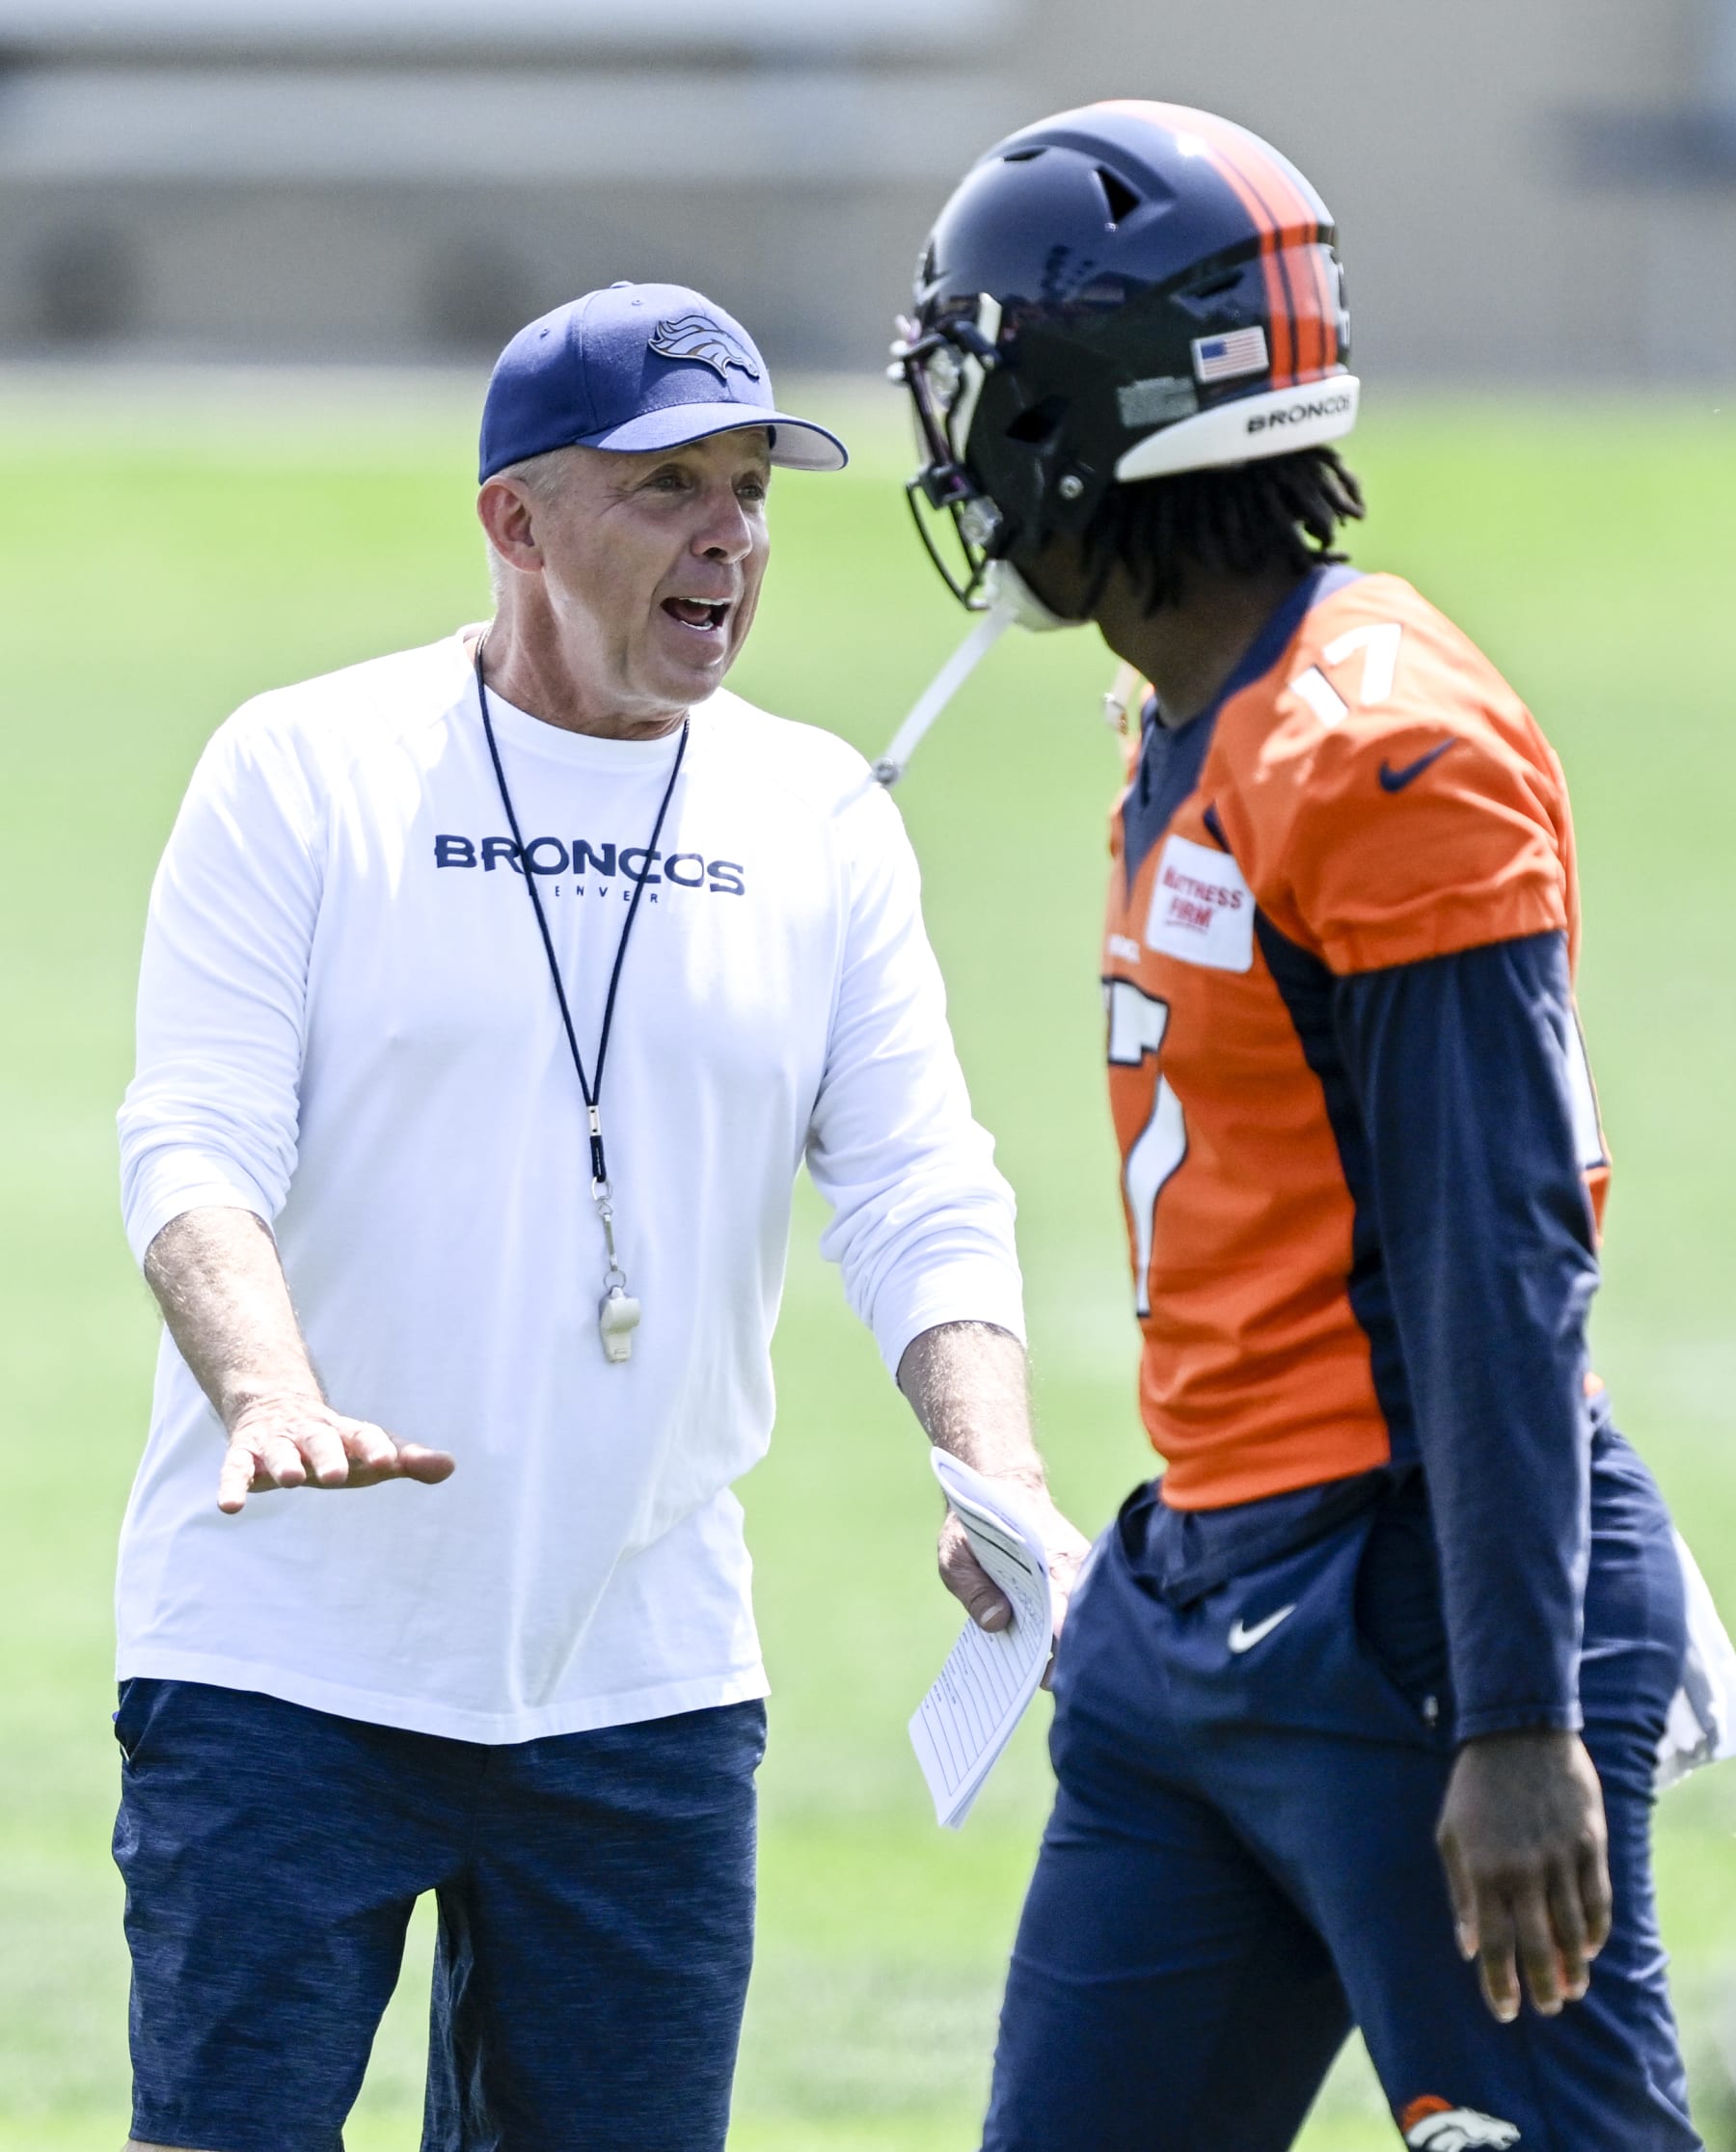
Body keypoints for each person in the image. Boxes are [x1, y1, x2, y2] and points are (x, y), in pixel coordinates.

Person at [113, 278, 1087, 2152]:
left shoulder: (818, 819)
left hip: (640, 1681)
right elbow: (194, 1143)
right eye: (668, 490)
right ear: (514, 520)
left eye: (752, 491)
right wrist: (267, 1391)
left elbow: (917, 1180)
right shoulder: (303, 772)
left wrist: (999, 1465)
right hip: (282, 1668)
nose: (729, 536)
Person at [888, 102, 1717, 2149]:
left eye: (989, 389)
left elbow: (1499, 1257)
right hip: (1200, 1610)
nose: (959, 448)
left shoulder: (1369, 748)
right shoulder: (1209, 706)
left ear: (1095, 416)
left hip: (1415, 1620)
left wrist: (1522, 1715)